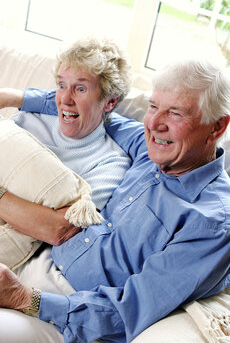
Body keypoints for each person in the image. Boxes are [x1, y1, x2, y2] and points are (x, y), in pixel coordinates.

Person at [0, 58, 230, 343]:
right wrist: (13, 97)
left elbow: (130, 310)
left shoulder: (214, 224)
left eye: (175, 113)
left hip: (69, 314)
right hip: (38, 258)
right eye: (153, 106)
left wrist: (24, 298)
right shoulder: (151, 149)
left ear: (217, 127)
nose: (153, 124)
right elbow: (88, 111)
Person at [0, 36, 132, 246]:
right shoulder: (28, 119)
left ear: (110, 101)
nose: (65, 99)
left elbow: (59, 229)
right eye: (62, 85)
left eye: (80, 89)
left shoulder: (110, 163)